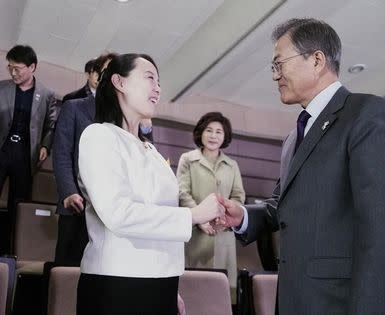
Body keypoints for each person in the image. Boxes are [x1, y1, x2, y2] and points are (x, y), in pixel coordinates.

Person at [217, 18, 385, 314]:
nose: (275, 76)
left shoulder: (368, 114)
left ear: (316, 60)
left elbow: (384, 233)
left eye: (279, 64)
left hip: (346, 302)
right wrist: (244, 216)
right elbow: (283, 205)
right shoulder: (292, 139)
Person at [76, 53, 224, 315]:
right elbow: (119, 214)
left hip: (160, 282)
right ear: (119, 82)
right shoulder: (99, 135)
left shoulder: (151, 150)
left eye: (159, 82)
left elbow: (159, 219)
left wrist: (168, 283)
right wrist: (194, 214)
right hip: (117, 286)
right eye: (150, 78)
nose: (158, 88)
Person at [52, 53, 116, 266]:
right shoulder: (74, 107)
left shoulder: (123, 116)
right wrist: (69, 191)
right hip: (76, 204)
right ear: (96, 75)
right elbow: (62, 153)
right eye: (106, 72)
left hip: (108, 210)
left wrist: (146, 128)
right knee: (66, 269)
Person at [176, 111, 245, 299]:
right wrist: (200, 219)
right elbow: (182, 192)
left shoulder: (232, 165)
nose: (213, 136)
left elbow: (238, 196)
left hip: (223, 234)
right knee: (193, 294)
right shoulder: (188, 159)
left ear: (225, 137)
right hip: (195, 234)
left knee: (220, 297)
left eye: (219, 132)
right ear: (201, 133)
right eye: (209, 130)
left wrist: (224, 219)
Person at [0, 44, 57, 254]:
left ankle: (10, 250)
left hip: (25, 156)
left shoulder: (47, 94)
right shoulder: (2, 88)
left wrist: (45, 145)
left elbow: (51, 125)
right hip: (2, 150)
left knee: (18, 204)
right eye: (10, 68)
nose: (13, 72)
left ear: (32, 67)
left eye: (18, 68)